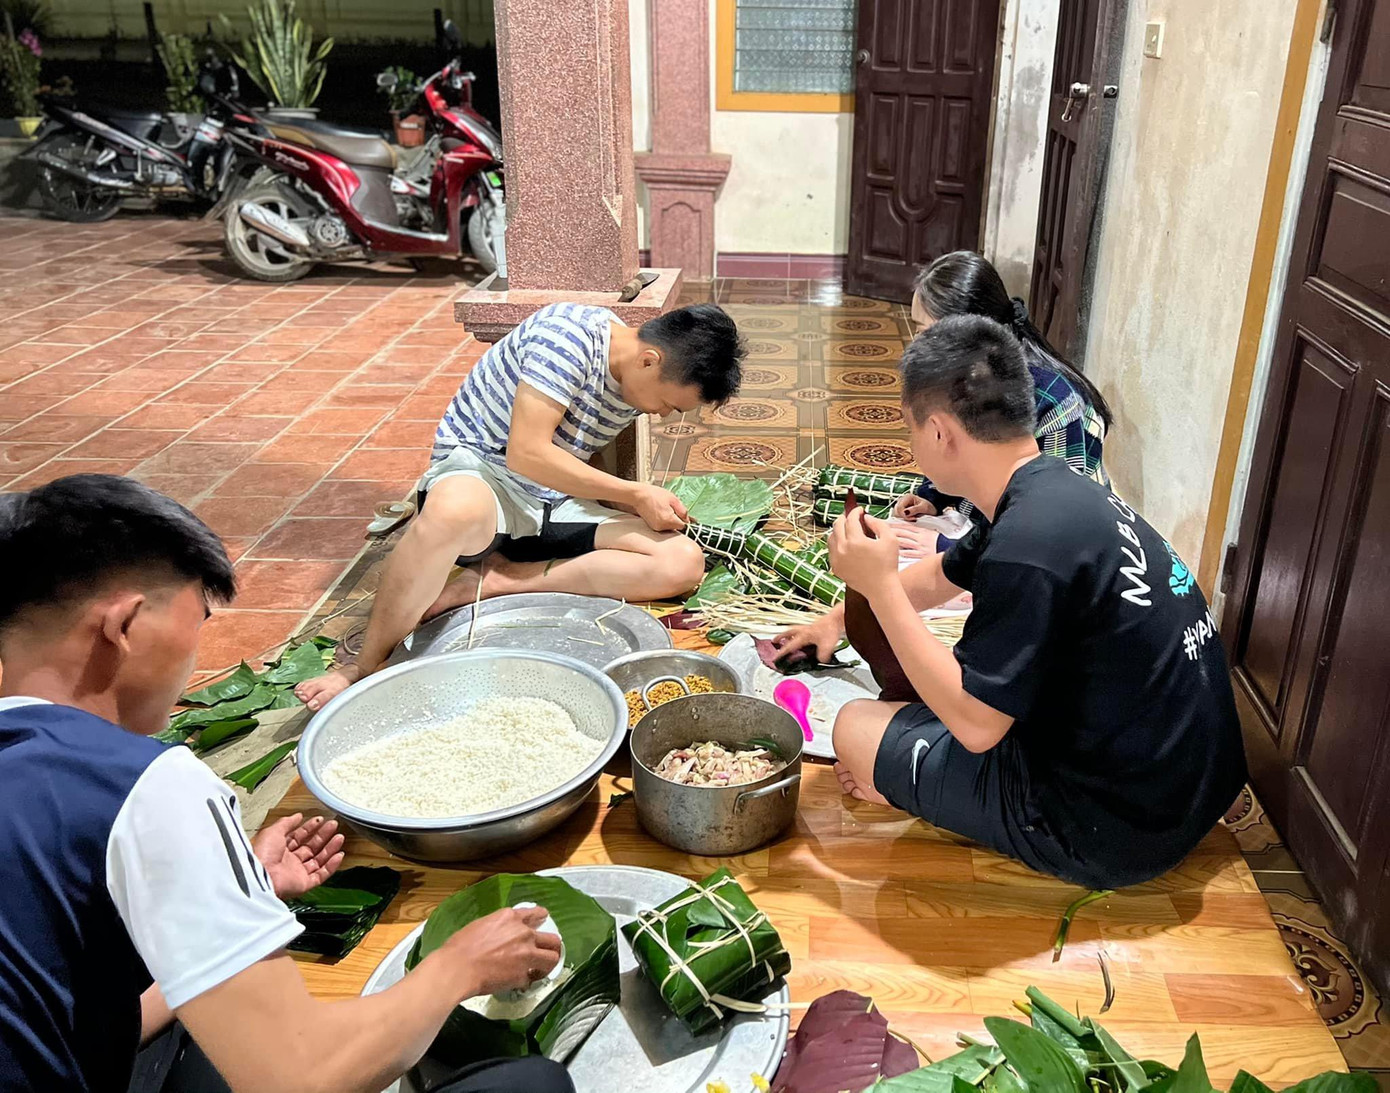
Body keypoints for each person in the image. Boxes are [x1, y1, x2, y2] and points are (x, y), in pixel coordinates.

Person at [0, 475, 573, 1093]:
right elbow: (299, 1078)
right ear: (126, 626)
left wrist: (240, 896)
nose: (196, 652)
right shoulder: (142, 784)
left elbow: (67, 1019)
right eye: (197, 622)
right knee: (530, 1084)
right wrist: (458, 968)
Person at [774, 317, 1246, 889]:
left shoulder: (1026, 545)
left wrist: (876, 588)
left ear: (942, 433)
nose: (910, 443)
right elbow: (945, 573)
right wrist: (837, 620)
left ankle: (911, 785)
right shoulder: (1051, 486)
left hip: (1114, 829)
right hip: (1195, 784)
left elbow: (977, 728)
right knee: (907, 708)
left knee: (854, 727)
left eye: (910, 428)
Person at [297, 302, 745, 711]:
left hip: (552, 499)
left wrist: (628, 504)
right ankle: (362, 665)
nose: (664, 415)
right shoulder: (566, 338)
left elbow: (583, 453)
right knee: (453, 512)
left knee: (681, 561)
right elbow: (525, 454)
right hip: (487, 482)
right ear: (650, 360)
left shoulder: (634, 376)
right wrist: (635, 494)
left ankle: (498, 580)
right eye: (669, 404)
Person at [892, 251, 1114, 557]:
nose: (916, 345)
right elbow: (970, 462)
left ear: (972, 331)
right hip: (987, 530)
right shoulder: (966, 375)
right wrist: (933, 497)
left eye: (925, 333)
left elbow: (1053, 527)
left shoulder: (1060, 406)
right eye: (916, 331)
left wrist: (950, 549)